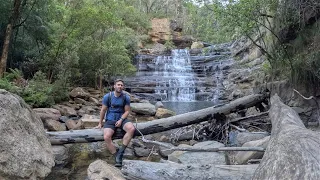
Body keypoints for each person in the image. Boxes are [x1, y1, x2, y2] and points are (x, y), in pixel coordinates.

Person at [96, 79, 135, 167]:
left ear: (123, 87)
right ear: (114, 86)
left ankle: (121, 152)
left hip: (122, 118)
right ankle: (116, 155)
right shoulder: (107, 97)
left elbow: (127, 111)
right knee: (106, 136)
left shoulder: (126, 97)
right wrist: (100, 123)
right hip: (110, 119)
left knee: (131, 128)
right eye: (118, 85)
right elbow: (103, 110)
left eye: (121, 85)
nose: (120, 86)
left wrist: (121, 120)